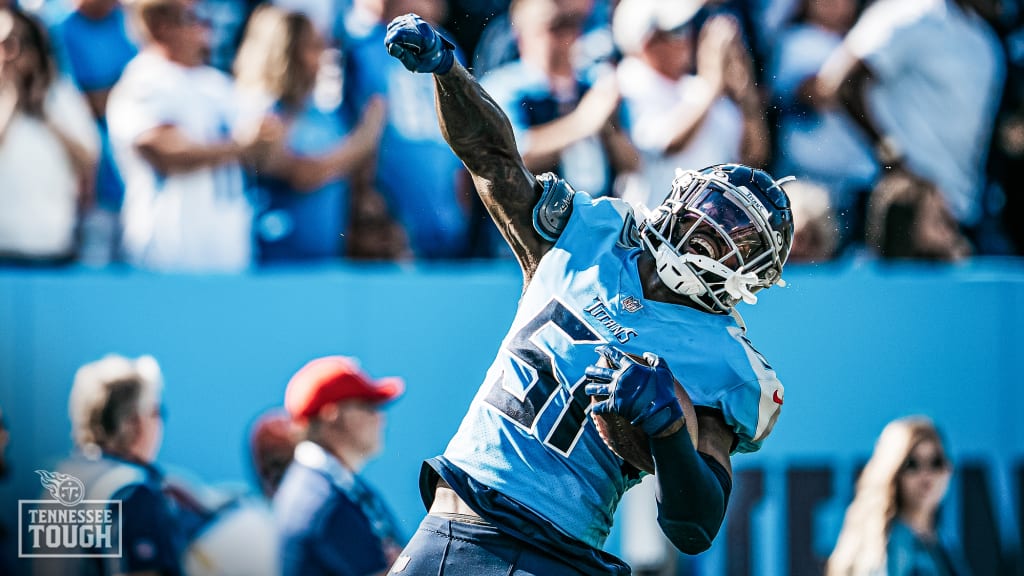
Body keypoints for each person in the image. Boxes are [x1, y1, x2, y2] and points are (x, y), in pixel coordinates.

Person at [384, 13, 793, 575]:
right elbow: (493, 160)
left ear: (752, 271)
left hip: (562, 553)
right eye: (712, 210)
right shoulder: (593, 235)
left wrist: (669, 427)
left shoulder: (723, 359)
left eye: (736, 236)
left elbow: (695, 526)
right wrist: (447, 69)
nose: (712, 231)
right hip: (462, 523)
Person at [106, 0, 282, 272]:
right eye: (192, 16)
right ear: (160, 25)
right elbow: (163, 151)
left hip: (228, 252)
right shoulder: (142, 81)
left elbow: (263, 153)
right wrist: (240, 147)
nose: (205, 23)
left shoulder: (219, 85)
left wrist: (266, 135)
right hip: (167, 253)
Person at [816, 0, 1004, 243]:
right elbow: (839, 84)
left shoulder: (986, 40)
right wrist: (891, 155)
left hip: (965, 211)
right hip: (902, 216)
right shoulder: (907, 13)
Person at [233, 5, 385, 263]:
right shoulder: (263, 112)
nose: (323, 55)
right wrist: (367, 135)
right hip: (276, 263)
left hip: (325, 260)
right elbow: (304, 174)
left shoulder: (324, 114)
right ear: (286, 53)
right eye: (313, 46)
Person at [37, 354, 185, 576]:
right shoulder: (133, 492)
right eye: (157, 412)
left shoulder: (59, 481)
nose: (160, 424)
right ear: (134, 422)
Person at [612, 0, 766, 212]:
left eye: (689, 27)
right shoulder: (627, 81)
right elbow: (666, 143)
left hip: (703, 227)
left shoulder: (696, 88)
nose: (688, 38)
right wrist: (712, 79)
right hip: (649, 228)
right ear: (646, 42)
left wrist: (745, 88)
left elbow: (753, 154)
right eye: (677, 31)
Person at [273, 356, 406, 576]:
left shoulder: (329, 486)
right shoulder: (323, 501)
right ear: (332, 415)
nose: (380, 418)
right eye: (369, 406)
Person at [0, 7, 99, 265]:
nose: (8, 54)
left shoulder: (61, 95)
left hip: (52, 245)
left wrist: (45, 117)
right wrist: (12, 98)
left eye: (13, 44)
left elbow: (86, 161)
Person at [827, 416, 969, 575]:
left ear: (949, 470)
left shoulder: (944, 546)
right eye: (912, 464)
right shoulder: (879, 548)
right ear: (893, 472)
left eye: (936, 462)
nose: (926, 475)